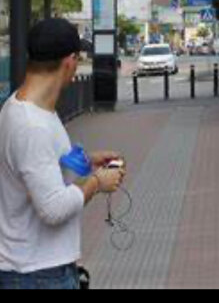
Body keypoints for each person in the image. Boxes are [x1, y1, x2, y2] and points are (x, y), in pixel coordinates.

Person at [0, 19, 125, 290]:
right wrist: (97, 182)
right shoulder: (31, 125)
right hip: (36, 274)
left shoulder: (27, 109)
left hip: (38, 269)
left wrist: (87, 160)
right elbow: (53, 209)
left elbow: (42, 165)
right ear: (70, 62)